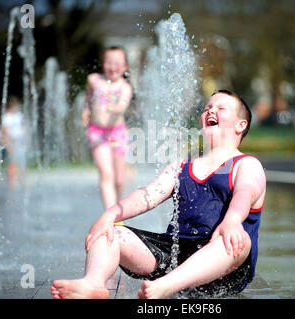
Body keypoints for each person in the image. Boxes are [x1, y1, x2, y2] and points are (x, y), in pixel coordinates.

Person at [51, 90, 266, 299]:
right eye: (207, 107)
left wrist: (232, 221)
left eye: (221, 108)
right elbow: (147, 195)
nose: (211, 111)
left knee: (238, 240)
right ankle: (94, 283)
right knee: (112, 232)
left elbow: (244, 193)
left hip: (223, 267)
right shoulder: (181, 166)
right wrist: (111, 215)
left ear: (240, 125)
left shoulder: (246, 164)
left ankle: (165, 287)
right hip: (173, 259)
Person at [81, 46, 133, 214]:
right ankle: (111, 215)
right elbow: (88, 95)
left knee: (118, 179)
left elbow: (122, 105)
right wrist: (86, 109)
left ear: (125, 67)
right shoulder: (94, 80)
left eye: (117, 63)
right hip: (97, 132)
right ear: (103, 63)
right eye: (109, 62)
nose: (113, 67)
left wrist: (115, 108)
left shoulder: (125, 87)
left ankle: (117, 207)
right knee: (106, 173)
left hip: (117, 132)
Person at [2, 96, 26, 189]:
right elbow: (5, 130)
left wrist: (23, 134)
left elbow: (23, 126)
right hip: (11, 141)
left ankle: (22, 180)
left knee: (22, 161)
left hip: (20, 141)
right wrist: (7, 143)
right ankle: (11, 181)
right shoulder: (7, 117)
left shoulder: (19, 115)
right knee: (12, 162)